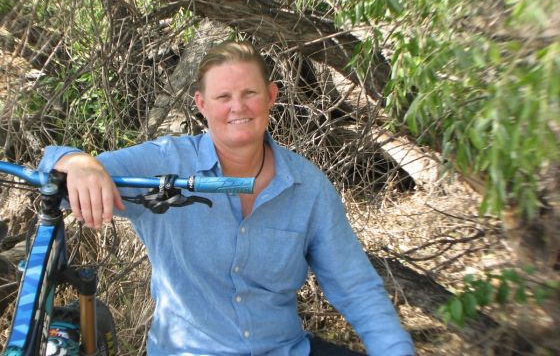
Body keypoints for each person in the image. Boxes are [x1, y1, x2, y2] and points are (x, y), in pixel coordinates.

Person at [38, 41, 415, 356]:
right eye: (223, 97)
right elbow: (56, 180)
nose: (238, 107)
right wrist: (77, 162)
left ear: (271, 96)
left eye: (250, 93)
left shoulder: (307, 187)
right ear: (201, 105)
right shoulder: (164, 164)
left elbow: (356, 287)